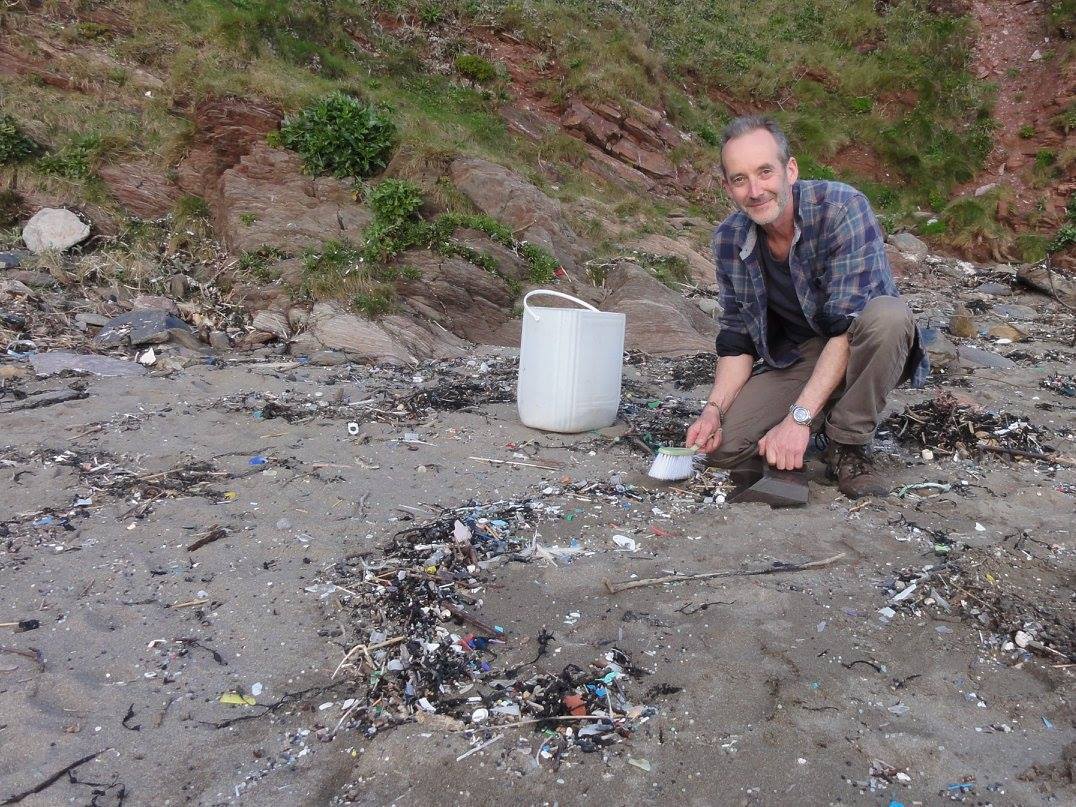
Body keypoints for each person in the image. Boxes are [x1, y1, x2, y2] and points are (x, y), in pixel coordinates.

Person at [685, 115, 928, 499]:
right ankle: (821, 417)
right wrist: (712, 410)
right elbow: (737, 342)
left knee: (890, 317)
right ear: (728, 187)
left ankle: (847, 444)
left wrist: (797, 419)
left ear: (790, 170)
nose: (755, 190)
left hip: (861, 341)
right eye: (740, 179)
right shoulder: (730, 239)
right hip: (801, 355)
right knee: (725, 449)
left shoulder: (843, 208)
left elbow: (845, 327)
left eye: (765, 172)